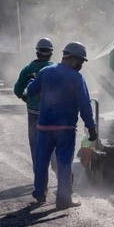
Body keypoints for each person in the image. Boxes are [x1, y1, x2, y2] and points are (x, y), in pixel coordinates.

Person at [26, 42, 98, 209]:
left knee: (41, 160)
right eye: (80, 61)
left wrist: (31, 81)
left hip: (44, 127)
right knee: (64, 161)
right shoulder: (76, 77)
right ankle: (64, 198)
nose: (81, 65)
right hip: (65, 129)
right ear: (72, 59)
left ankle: (39, 193)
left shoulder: (45, 72)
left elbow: (30, 91)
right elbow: (84, 104)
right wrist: (91, 127)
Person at [14, 38, 55, 167]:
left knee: (36, 147)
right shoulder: (54, 68)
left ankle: (40, 183)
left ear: (37, 52)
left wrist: (26, 97)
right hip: (52, 114)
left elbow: (18, 91)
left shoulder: (27, 69)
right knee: (54, 145)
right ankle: (60, 173)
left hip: (33, 114)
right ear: (51, 53)